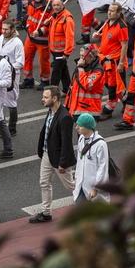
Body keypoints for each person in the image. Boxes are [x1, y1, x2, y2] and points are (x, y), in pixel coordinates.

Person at [32, 86, 76, 223]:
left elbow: (66, 143)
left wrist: (62, 163)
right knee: (44, 183)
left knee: (71, 186)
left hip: (58, 158)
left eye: (46, 97)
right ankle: (46, 213)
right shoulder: (51, 111)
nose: (43, 99)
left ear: (55, 98)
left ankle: (91, 200)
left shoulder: (65, 117)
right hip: (47, 153)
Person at [95, 3, 128, 121]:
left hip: (115, 61)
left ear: (118, 13)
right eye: (109, 10)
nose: (109, 12)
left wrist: (120, 63)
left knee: (113, 85)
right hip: (105, 60)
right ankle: (127, 101)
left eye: (112, 11)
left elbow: (124, 46)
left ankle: (109, 108)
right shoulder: (106, 22)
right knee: (107, 83)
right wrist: (98, 36)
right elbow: (107, 38)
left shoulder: (122, 26)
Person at [73, 113, 110, 204]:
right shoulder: (81, 139)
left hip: (93, 188)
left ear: (88, 127)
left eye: (80, 126)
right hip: (81, 185)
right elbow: (79, 160)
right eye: (77, 125)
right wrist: (76, 178)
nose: (76, 128)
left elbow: (103, 167)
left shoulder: (100, 144)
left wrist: (95, 188)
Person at [0, 20, 24, 135]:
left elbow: (20, 62)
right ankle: (0, 127)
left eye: (6, 29)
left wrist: (7, 67)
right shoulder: (1, 38)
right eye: (2, 29)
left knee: (11, 101)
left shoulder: (17, 43)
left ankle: (12, 128)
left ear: (12, 30)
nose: (3, 31)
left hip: (12, 75)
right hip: (0, 74)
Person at [66, 43, 104, 120]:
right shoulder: (83, 66)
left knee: (84, 132)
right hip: (78, 108)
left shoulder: (97, 71)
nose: (80, 59)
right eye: (80, 56)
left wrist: (80, 68)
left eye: (83, 56)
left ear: (91, 57)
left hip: (89, 111)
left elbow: (86, 85)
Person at [47, 0, 75, 93]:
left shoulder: (67, 18)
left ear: (63, 5)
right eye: (54, 5)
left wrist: (67, 53)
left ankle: (52, 92)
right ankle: (67, 89)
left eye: (58, 5)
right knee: (63, 70)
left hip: (61, 51)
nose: (56, 7)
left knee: (56, 72)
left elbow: (70, 37)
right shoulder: (54, 16)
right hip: (55, 50)